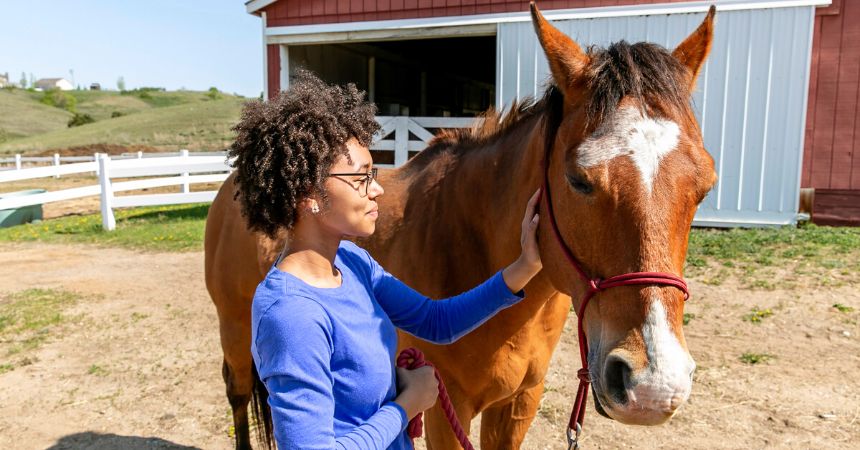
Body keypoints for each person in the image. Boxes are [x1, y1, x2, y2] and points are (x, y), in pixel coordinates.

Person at [229, 71, 542, 450]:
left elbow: (435, 321)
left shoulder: (351, 262)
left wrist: (523, 267)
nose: (377, 188)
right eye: (361, 177)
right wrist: (406, 406)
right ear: (309, 194)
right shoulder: (290, 314)